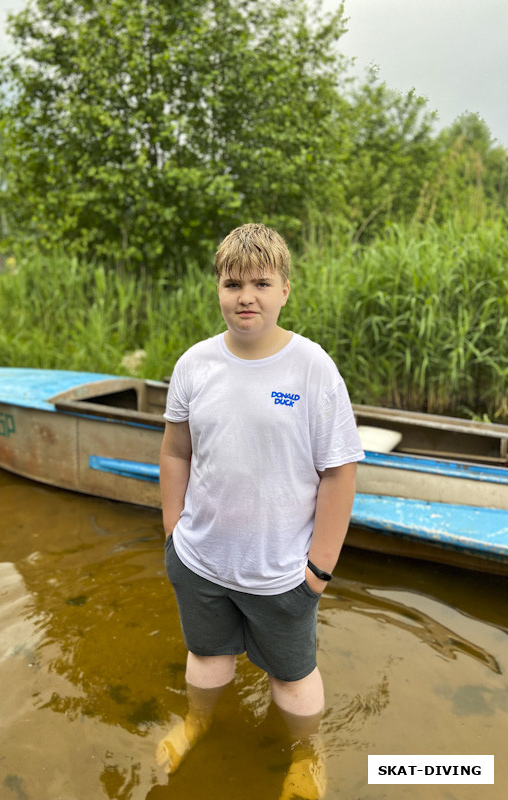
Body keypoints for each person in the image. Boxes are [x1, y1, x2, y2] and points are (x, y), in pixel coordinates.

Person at [157, 223, 364, 798]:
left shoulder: (311, 368)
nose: (245, 296)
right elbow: (175, 451)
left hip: (282, 572)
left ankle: (308, 753)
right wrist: (173, 531)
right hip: (200, 560)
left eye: (261, 282)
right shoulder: (195, 364)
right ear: (218, 289)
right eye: (233, 283)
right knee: (206, 658)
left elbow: (340, 471)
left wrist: (319, 569)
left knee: (293, 679)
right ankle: (198, 724)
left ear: (284, 291)